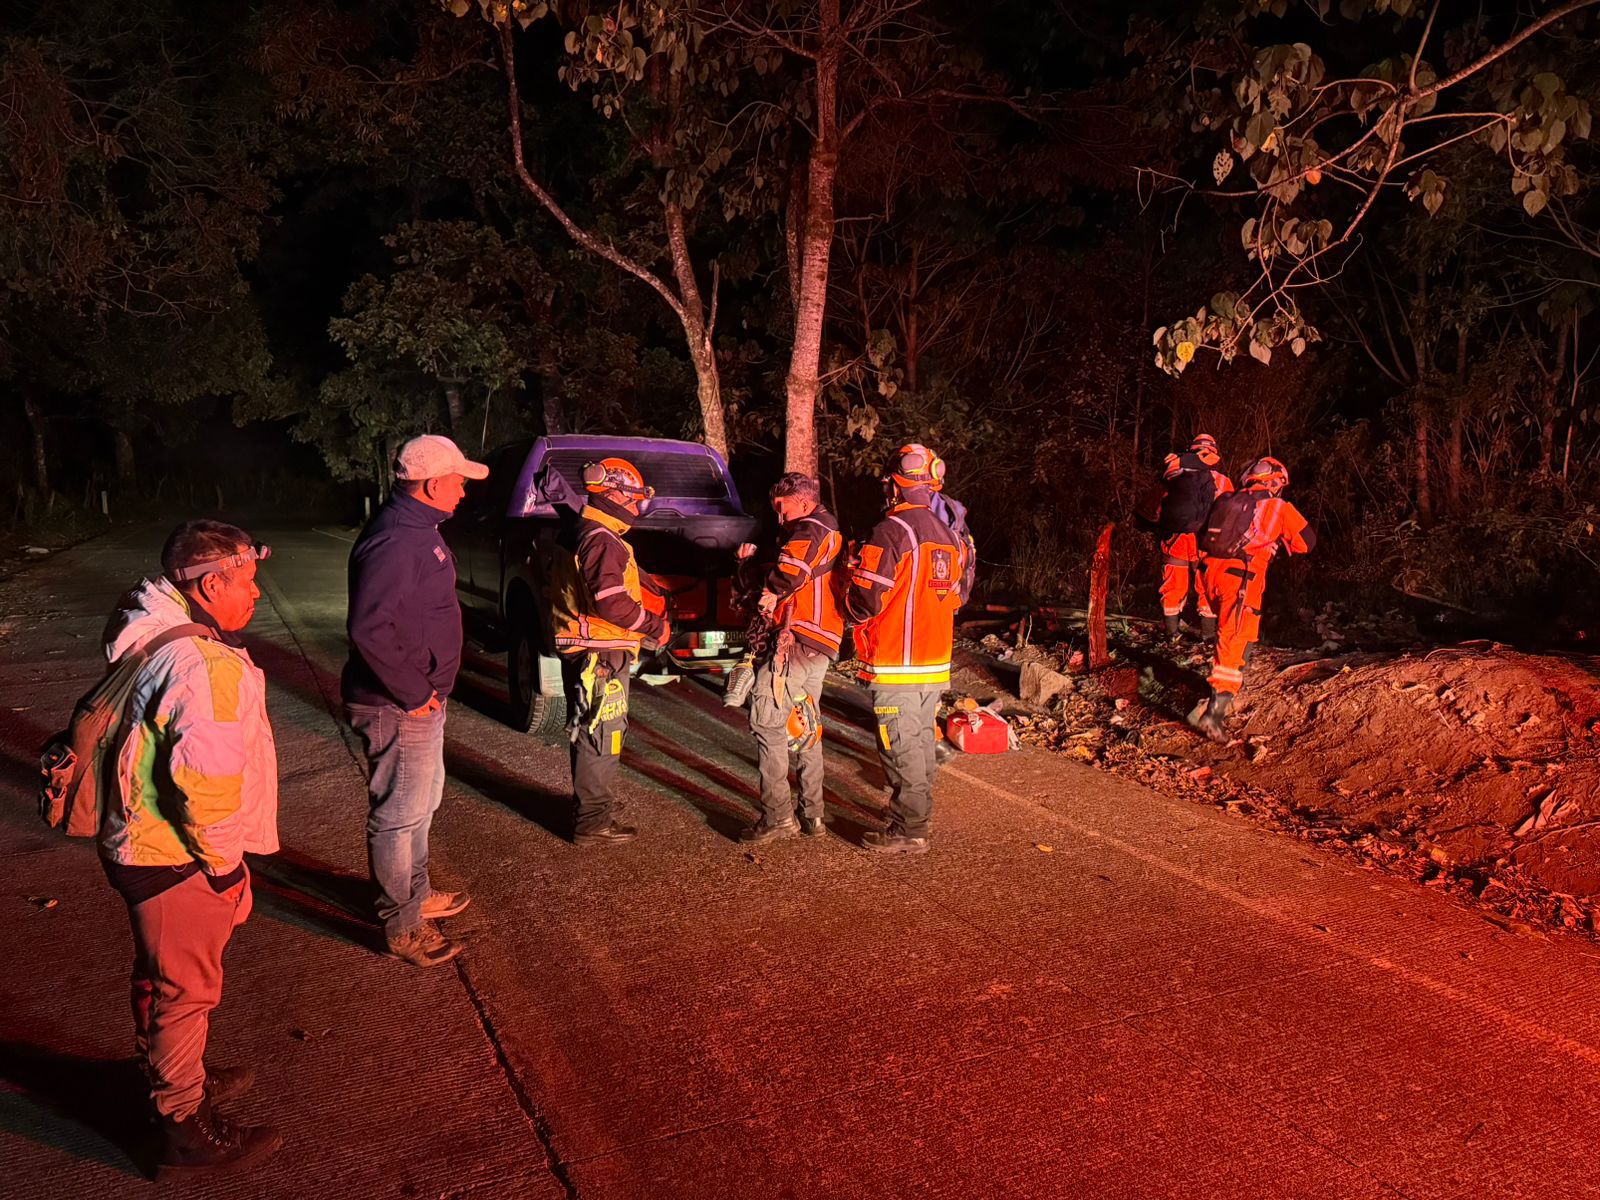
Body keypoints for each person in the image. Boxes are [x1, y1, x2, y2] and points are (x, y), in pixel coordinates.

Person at [99, 520, 282, 1177]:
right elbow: (205, 791)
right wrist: (227, 868)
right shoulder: (204, 664)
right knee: (187, 992)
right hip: (169, 853)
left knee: (158, 975)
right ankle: (182, 1123)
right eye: (248, 582)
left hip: (132, 836)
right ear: (209, 584)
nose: (256, 595)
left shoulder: (152, 628)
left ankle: (173, 1077)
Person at [344, 434, 487, 967]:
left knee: (420, 806)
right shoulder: (397, 539)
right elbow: (369, 628)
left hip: (418, 701)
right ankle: (401, 924)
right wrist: (416, 692)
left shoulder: (419, 528)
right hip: (397, 704)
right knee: (399, 814)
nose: (464, 492)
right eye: (459, 482)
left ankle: (415, 894)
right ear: (431, 485)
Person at [846, 443, 970, 854]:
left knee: (899, 744)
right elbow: (956, 594)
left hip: (897, 659)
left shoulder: (892, 531)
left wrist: (846, 595)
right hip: (933, 660)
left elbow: (866, 600)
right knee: (917, 741)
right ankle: (915, 814)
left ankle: (909, 829)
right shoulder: (950, 536)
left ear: (895, 487)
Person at [549, 457, 670, 845]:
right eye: (635, 499)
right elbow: (612, 603)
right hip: (599, 652)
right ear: (614, 494)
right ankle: (592, 820)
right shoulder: (602, 538)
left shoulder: (586, 530)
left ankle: (592, 807)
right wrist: (655, 626)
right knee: (602, 733)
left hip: (592, 648)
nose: (637, 508)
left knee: (595, 729)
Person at [736, 472, 845, 843]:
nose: (779, 518)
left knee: (767, 721)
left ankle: (778, 816)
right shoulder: (828, 530)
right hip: (822, 640)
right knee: (805, 726)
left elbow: (785, 577)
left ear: (802, 501)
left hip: (796, 639)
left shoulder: (810, 529)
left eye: (782, 509)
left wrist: (749, 567)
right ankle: (813, 814)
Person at [1189, 455, 1315, 741]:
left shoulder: (1225, 500)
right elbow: (1307, 542)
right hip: (1241, 578)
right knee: (1232, 641)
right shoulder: (1278, 507)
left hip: (1210, 575)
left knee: (1242, 635)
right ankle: (1214, 715)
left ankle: (1227, 694)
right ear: (1275, 482)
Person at [1141, 433, 1233, 640]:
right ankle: (1208, 635)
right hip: (1206, 540)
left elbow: (1155, 510)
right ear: (1214, 453)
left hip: (1177, 538)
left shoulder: (1174, 474)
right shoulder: (1223, 481)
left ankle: (1172, 634)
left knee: (1173, 583)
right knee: (1207, 585)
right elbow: (1230, 514)